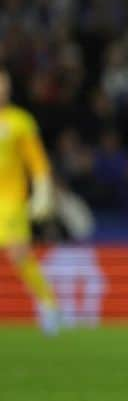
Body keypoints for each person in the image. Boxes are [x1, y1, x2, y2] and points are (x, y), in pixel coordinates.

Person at [0, 67, 60, 334]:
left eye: (4, 84)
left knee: (18, 253)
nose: (2, 89)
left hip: (9, 199)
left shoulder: (19, 121)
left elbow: (37, 161)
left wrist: (43, 190)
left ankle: (49, 305)